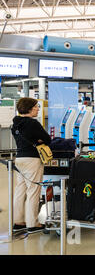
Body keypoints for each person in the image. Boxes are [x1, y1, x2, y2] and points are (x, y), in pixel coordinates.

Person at [10, 98, 51, 234]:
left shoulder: (15, 124)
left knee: (20, 191)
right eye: (36, 107)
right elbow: (47, 139)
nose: (38, 109)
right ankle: (33, 223)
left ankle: (18, 221)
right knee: (33, 191)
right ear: (29, 108)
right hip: (32, 159)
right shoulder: (32, 123)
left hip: (19, 159)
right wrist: (39, 140)